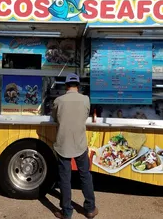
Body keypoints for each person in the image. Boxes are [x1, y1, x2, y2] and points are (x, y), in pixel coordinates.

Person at [52, 73, 98, 219]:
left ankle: (67, 212)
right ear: (78, 85)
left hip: (63, 144)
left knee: (65, 178)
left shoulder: (59, 100)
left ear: (66, 86)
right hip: (79, 144)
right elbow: (85, 116)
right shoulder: (85, 99)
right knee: (85, 175)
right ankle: (90, 209)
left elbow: (55, 117)